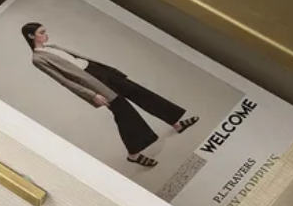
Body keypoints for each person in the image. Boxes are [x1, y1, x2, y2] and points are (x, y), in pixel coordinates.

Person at [21, 22, 199, 168]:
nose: (46, 35)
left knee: (139, 93)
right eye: (41, 32)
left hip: (99, 71)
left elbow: (78, 60)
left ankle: (176, 123)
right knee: (124, 112)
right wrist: (91, 95)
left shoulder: (51, 47)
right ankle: (134, 154)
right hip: (92, 83)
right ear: (31, 36)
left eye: (45, 31)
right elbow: (64, 80)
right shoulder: (38, 59)